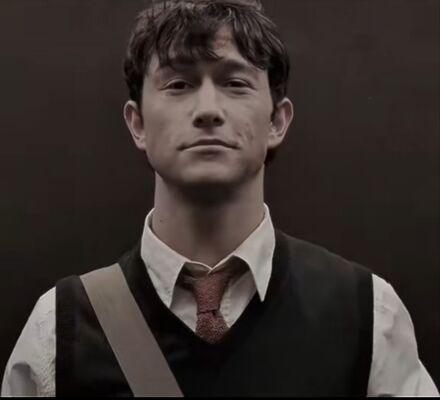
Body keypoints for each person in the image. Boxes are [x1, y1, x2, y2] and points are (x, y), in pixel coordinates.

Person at [1, 0, 439, 396]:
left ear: (277, 121)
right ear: (137, 124)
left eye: (235, 82)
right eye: (178, 84)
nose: (208, 109)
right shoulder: (59, 330)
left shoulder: (366, 315)